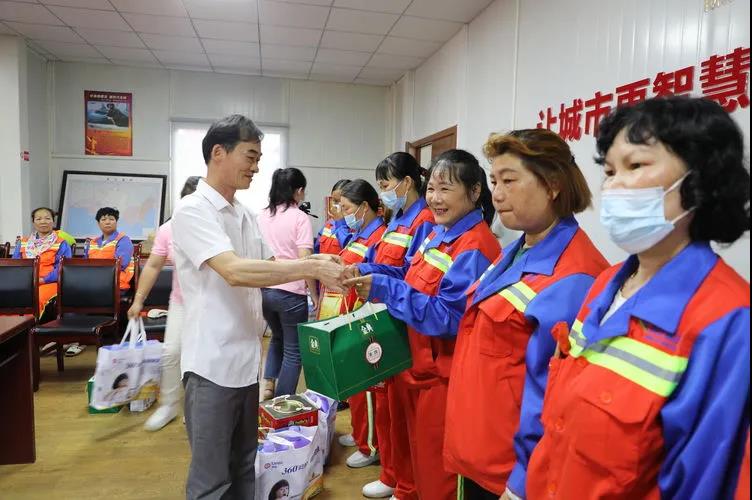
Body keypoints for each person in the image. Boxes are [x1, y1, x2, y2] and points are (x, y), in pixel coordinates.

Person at [527, 96, 750, 499]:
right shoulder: (607, 283)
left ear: (699, 181)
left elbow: (705, 481)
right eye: (610, 171)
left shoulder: (729, 320)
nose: (613, 186)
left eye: (636, 166)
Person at [171, 114, 344, 500]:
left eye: (258, 158)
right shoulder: (193, 210)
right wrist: (309, 268)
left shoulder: (244, 214)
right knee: (212, 479)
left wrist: (321, 263)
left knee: (245, 466)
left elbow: (270, 265)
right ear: (219, 153)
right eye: (250, 156)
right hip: (211, 364)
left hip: (246, 361)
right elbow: (234, 271)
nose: (256, 167)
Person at [443, 129, 609, 500]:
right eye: (494, 181)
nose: (497, 194)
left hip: (515, 474)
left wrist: (521, 482)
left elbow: (560, 399)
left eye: (509, 181)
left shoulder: (576, 276)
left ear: (552, 185)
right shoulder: (515, 250)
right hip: (479, 453)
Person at [347, 149, 501, 499]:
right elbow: (409, 273)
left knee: (438, 475)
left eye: (445, 189)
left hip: (443, 379)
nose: (435, 198)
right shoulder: (439, 234)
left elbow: (448, 317)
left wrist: (385, 288)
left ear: (475, 191)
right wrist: (366, 271)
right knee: (417, 458)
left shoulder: (475, 246)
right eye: (431, 188)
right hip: (416, 367)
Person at [346, 152, 435, 499]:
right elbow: (386, 263)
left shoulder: (423, 221)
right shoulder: (397, 220)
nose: (383, 191)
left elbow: (413, 277)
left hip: (402, 319)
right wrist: (363, 269)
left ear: (407, 183)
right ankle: (393, 474)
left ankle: (405, 482)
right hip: (383, 315)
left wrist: (377, 279)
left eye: (385, 185)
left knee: (400, 410)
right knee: (387, 405)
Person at [317, 179, 388, 470]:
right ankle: (361, 435)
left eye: (345, 208)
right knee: (355, 385)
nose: (341, 212)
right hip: (347, 314)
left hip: (363, 319)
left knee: (367, 387)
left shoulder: (378, 236)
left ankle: (370, 445)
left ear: (363, 207)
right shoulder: (359, 234)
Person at [127, 176, 201, 432]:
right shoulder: (169, 229)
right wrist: (138, 300)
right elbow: (153, 266)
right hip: (181, 301)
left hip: (213, 304)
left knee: (201, 358)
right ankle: (169, 405)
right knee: (171, 352)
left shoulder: (216, 226)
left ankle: (195, 407)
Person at [258, 167, 318, 400]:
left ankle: (268, 386)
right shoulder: (299, 217)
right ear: (298, 191)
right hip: (291, 294)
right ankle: (282, 403)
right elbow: (305, 260)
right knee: (294, 352)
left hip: (264, 290)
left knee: (277, 337)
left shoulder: (262, 215)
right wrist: (313, 294)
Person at [13, 207, 72, 318]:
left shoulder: (61, 243)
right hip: (24, 282)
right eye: (39, 219)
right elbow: (15, 265)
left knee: (37, 298)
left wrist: (42, 280)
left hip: (49, 283)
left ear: (53, 221)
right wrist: (23, 281)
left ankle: (30, 326)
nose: (43, 221)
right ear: (33, 222)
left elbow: (63, 268)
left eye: (47, 218)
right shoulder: (23, 242)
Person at [83, 207, 135, 292]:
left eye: (111, 219)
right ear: (98, 223)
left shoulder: (123, 240)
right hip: (92, 283)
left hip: (116, 285)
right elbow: (84, 264)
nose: (107, 222)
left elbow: (121, 264)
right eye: (103, 219)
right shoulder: (92, 242)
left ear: (116, 222)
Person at [315, 179, 352, 255]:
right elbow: (316, 249)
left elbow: (349, 250)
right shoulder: (329, 224)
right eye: (334, 200)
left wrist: (341, 222)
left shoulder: (355, 226)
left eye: (340, 201)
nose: (336, 205)